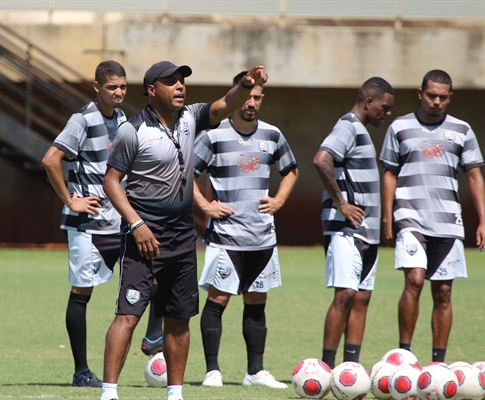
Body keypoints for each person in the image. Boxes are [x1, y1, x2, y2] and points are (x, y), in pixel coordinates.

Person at [99, 61, 268, 400]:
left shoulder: (191, 117)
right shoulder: (132, 130)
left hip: (182, 239)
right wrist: (137, 225)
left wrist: (247, 84)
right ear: (151, 90)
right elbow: (111, 182)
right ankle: (109, 393)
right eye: (170, 82)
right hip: (144, 239)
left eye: (182, 81)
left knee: (179, 319)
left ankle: (175, 393)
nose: (180, 87)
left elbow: (224, 105)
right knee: (128, 315)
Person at [194, 71, 299, 389]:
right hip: (226, 237)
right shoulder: (212, 136)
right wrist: (206, 207)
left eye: (257, 97)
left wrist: (279, 199)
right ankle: (212, 371)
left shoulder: (272, 135)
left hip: (262, 237)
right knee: (218, 301)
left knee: (257, 302)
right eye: (248, 96)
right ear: (237, 95)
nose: (252, 102)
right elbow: (185, 173)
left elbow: (292, 170)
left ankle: (255, 372)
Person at [379, 69, 485, 362]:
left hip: (448, 222)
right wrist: (388, 217)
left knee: (443, 292)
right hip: (410, 218)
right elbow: (389, 173)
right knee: (413, 281)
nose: (436, 101)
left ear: (450, 97)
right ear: (420, 94)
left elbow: (474, 175)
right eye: (431, 95)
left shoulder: (462, 130)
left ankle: (438, 362)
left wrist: (483, 219)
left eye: (442, 97)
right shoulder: (399, 127)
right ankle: (404, 357)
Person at [42, 60, 127, 387]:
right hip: (86, 225)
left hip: (116, 221)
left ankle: (152, 340)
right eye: (111, 87)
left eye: (122, 86)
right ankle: (81, 372)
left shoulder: (121, 119)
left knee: (154, 274)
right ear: (97, 87)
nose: (118, 92)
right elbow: (51, 159)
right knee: (82, 293)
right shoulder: (82, 118)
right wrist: (70, 200)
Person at [313, 77, 395, 369]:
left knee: (361, 299)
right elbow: (321, 159)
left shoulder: (361, 131)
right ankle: (326, 368)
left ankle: (351, 370)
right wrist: (341, 203)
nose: (387, 114)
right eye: (384, 108)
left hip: (367, 234)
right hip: (345, 231)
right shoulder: (347, 125)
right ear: (368, 101)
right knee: (345, 295)